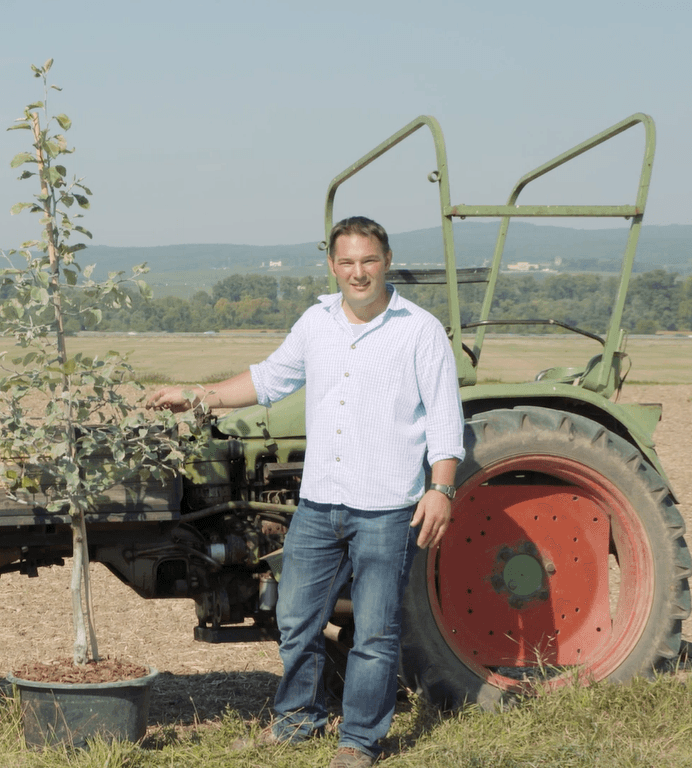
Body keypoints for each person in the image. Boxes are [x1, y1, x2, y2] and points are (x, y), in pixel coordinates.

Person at [146, 216, 464, 768]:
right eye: (347, 262)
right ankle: (298, 722)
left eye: (368, 260)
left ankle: (359, 741)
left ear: (386, 260)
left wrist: (441, 489)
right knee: (295, 619)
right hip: (320, 503)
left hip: (388, 507)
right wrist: (199, 396)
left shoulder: (419, 329)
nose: (358, 272)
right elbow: (268, 379)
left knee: (376, 631)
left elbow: (444, 418)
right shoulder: (317, 321)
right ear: (332, 266)